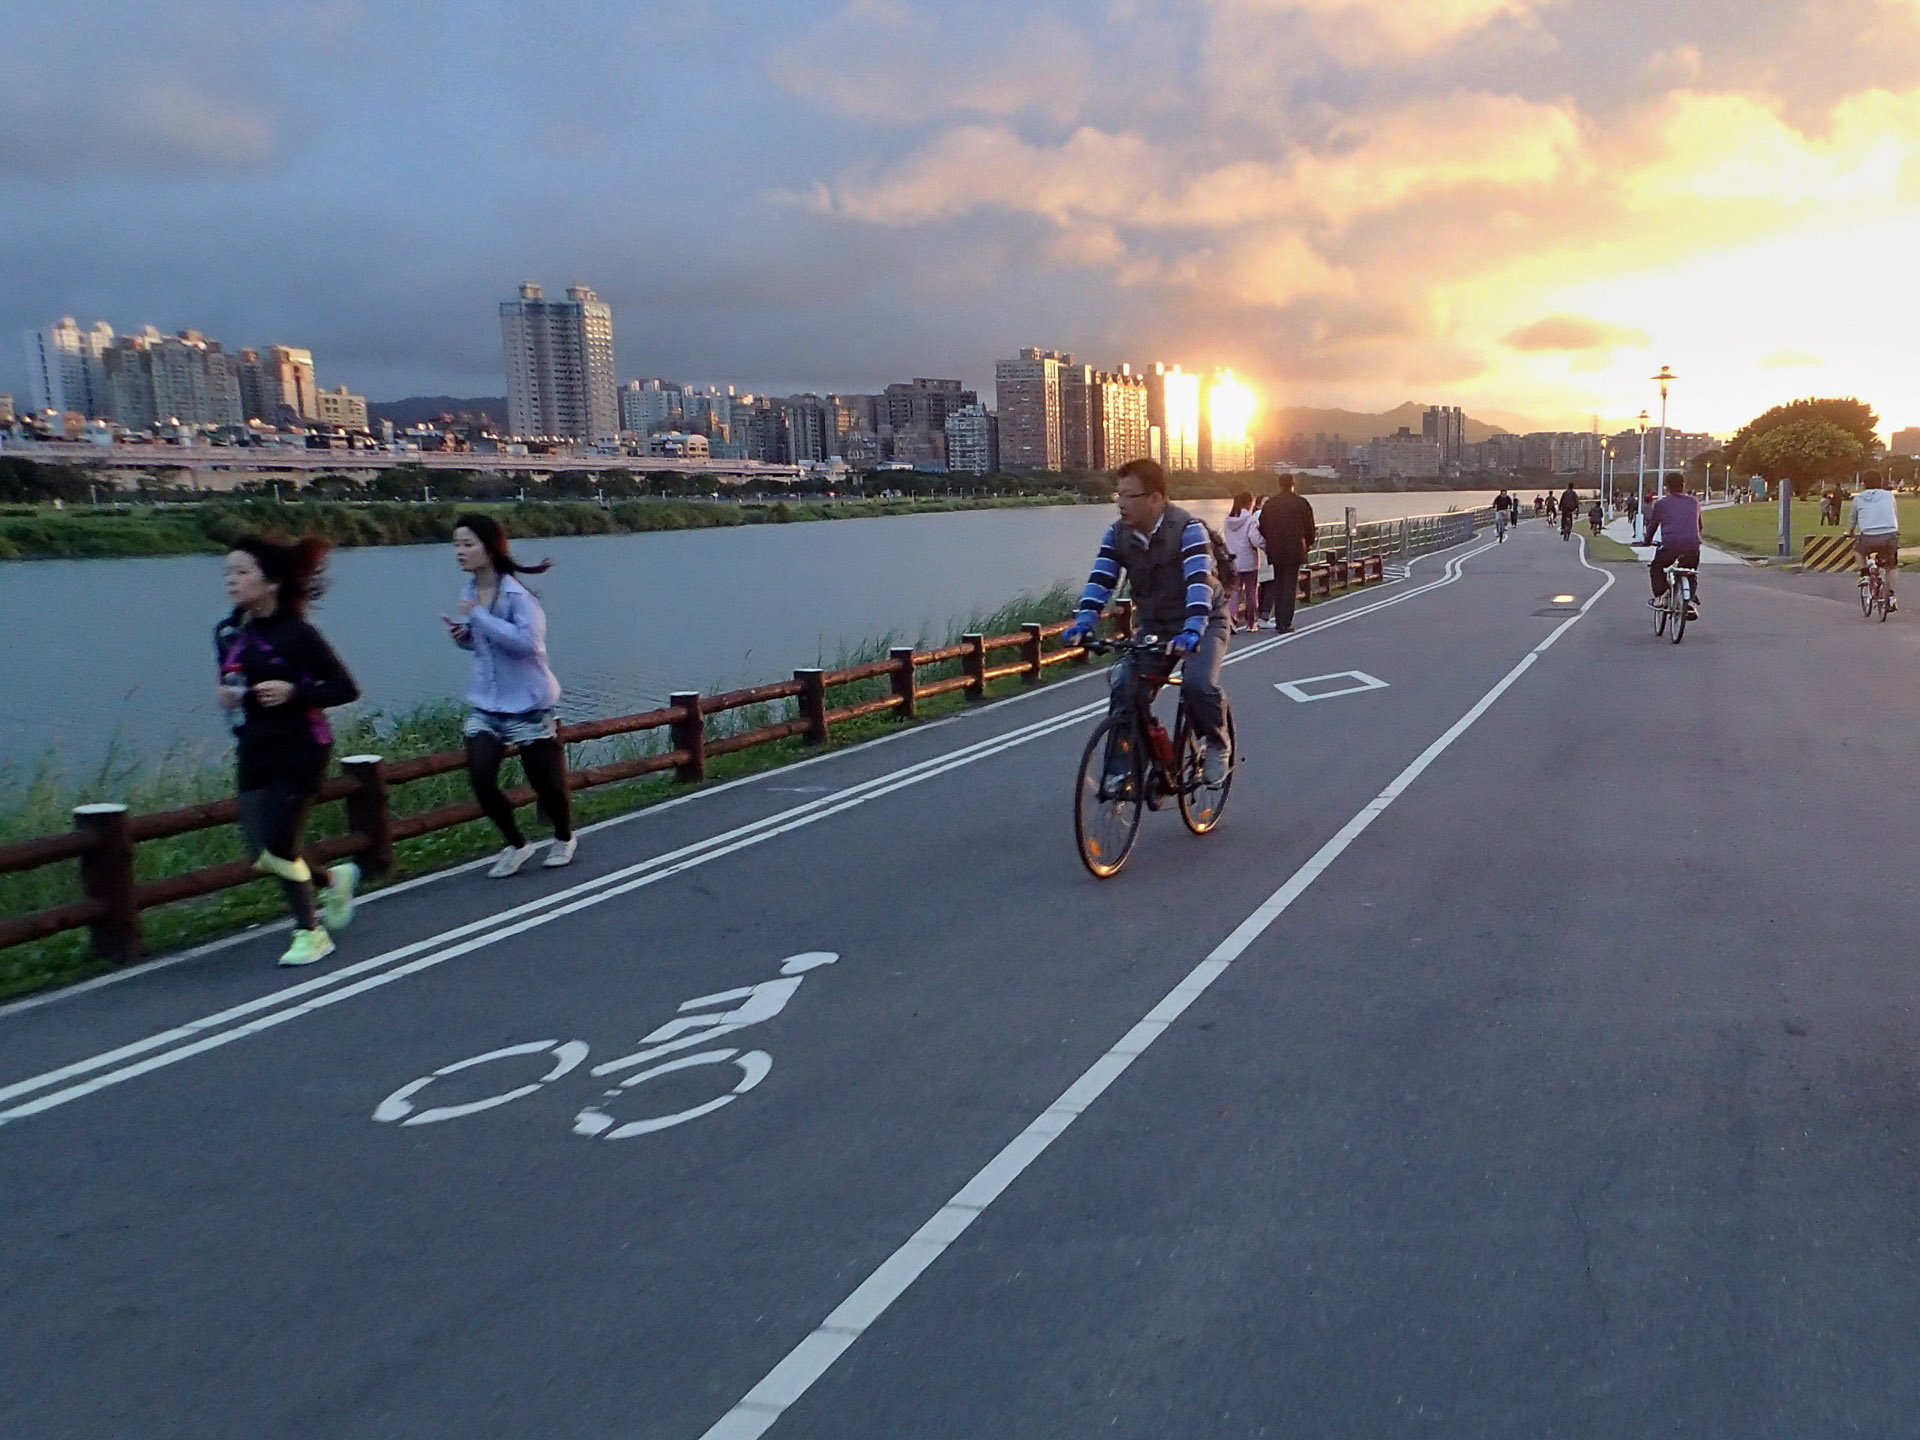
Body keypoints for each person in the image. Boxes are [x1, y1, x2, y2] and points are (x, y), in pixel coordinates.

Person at [215, 534, 361, 967]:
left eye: (242, 572)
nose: (232, 581)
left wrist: (294, 692)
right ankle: (332, 879)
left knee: (279, 846)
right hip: (255, 747)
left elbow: (345, 688)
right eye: (228, 573)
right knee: (260, 852)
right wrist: (230, 696)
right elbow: (236, 684)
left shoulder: (298, 634)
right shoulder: (229, 635)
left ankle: (310, 933)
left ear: (272, 582)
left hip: (302, 746)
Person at [1061, 458, 1233, 785]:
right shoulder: (1117, 535)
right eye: (1119, 495)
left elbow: (1198, 582)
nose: (1121, 503)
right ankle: (1120, 770)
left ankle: (1216, 742)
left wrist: (1192, 630)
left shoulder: (1188, 529)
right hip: (1156, 626)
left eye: (1129, 495)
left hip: (1203, 619)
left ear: (1155, 498)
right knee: (1125, 688)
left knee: (1197, 684)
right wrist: (1084, 621)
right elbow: (1101, 579)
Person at [445, 514, 577, 876]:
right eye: (456, 544)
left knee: (544, 784)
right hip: (487, 704)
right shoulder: (469, 593)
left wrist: (479, 619)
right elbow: (484, 644)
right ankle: (517, 845)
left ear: (489, 548)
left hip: (528, 704)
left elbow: (528, 645)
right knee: (480, 777)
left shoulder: (519, 597)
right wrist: (464, 638)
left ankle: (564, 837)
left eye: (467, 544)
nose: (459, 551)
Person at [1257, 473, 1316, 634]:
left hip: (1276, 549)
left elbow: (1261, 526)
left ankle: (1278, 620)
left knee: (1278, 584)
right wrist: (1307, 544)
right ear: (1293, 484)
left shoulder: (1270, 504)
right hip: (1295, 548)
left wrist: (1271, 540)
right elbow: (1310, 528)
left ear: (1279, 484)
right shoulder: (1301, 503)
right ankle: (1285, 622)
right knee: (1289, 586)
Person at [1641, 472, 1702, 618]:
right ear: (1683, 486)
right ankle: (1690, 600)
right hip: (1692, 546)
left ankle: (1660, 596)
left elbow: (1652, 526)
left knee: (1656, 567)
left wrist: (1647, 541)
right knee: (1690, 572)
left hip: (1670, 545)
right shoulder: (1694, 502)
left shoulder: (1661, 504)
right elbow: (1700, 526)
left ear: (1666, 487)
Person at [1847, 469, 1899, 611]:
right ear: (1881, 482)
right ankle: (1891, 596)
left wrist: (1850, 531)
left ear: (1864, 483)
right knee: (1891, 566)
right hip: (1889, 534)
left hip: (1868, 535)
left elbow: (1853, 518)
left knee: (1858, 551)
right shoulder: (1889, 496)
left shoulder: (1858, 499)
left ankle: (1864, 574)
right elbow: (1893, 513)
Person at [1223, 491, 1263, 631]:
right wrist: (1265, 544)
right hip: (1248, 560)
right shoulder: (1250, 520)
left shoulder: (1228, 520)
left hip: (1233, 560)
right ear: (1249, 503)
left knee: (1235, 592)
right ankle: (1251, 623)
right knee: (1251, 592)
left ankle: (1232, 621)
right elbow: (1255, 539)